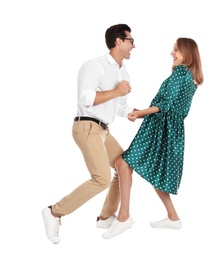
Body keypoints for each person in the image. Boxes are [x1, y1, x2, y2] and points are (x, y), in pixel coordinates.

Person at [97, 37, 204, 239]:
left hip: (161, 128)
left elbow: (164, 105)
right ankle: (173, 217)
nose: (172, 54)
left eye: (176, 51)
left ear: (188, 55)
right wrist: (142, 113)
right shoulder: (190, 79)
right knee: (154, 172)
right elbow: (172, 108)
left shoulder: (179, 75)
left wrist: (139, 113)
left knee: (123, 162)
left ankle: (123, 217)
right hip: (170, 130)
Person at [42, 23, 137, 244]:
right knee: (101, 179)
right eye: (131, 41)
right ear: (118, 41)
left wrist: (146, 113)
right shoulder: (94, 66)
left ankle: (105, 217)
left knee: (124, 165)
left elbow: (122, 108)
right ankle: (54, 212)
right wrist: (116, 91)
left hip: (104, 129)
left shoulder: (124, 71)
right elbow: (86, 99)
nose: (134, 46)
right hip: (87, 126)